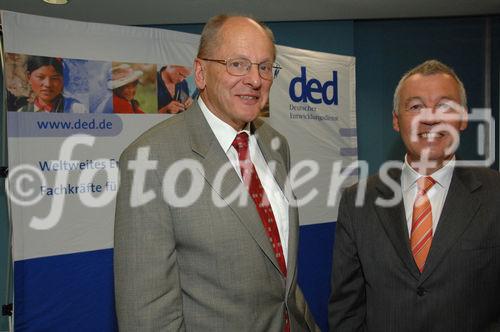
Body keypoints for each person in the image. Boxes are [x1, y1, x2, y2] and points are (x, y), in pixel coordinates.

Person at [114, 14, 319, 331]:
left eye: (265, 67)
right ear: (200, 73)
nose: (254, 79)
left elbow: (280, 271)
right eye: (238, 64)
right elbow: (147, 317)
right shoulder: (148, 161)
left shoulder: (276, 145)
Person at [329, 59, 500, 331]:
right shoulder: (357, 201)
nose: (429, 118)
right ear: (396, 120)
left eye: (444, 106)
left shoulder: (494, 195)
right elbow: (347, 309)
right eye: (416, 106)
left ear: (464, 117)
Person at [17, 55, 86, 113]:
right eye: (40, 77)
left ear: (63, 80)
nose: (48, 84)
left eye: (54, 78)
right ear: (29, 77)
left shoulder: (76, 109)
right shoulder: (22, 112)